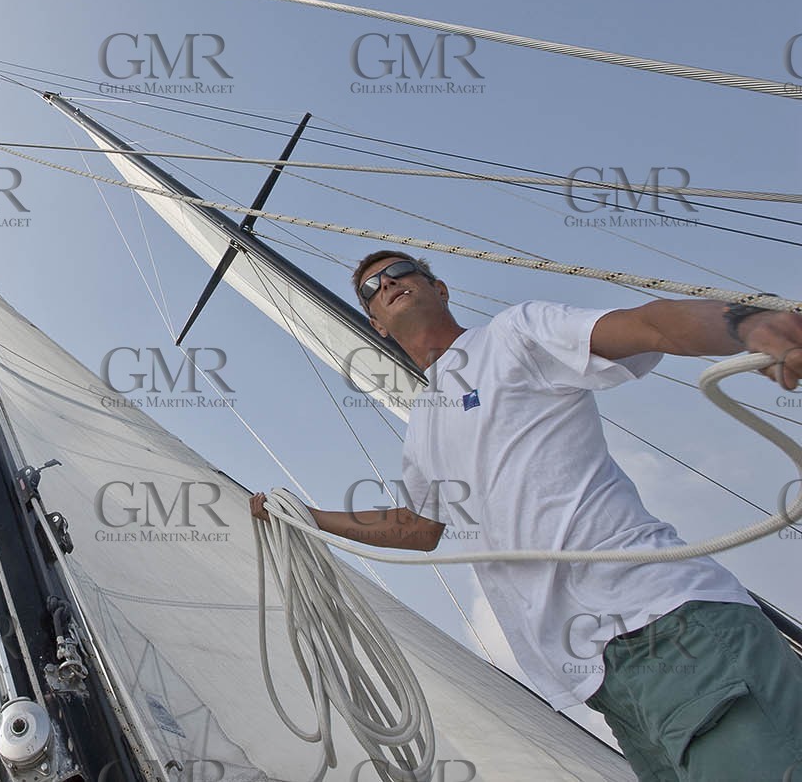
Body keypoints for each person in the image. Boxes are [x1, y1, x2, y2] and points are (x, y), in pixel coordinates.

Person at [250, 250, 802, 782]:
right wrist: (307, 517)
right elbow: (418, 529)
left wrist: (748, 324)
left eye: (400, 270)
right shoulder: (423, 428)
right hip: (601, 682)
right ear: (377, 325)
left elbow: (649, 325)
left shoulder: (514, 335)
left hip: (664, 621)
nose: (387, 282)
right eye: (372, 288)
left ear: (439, 288)